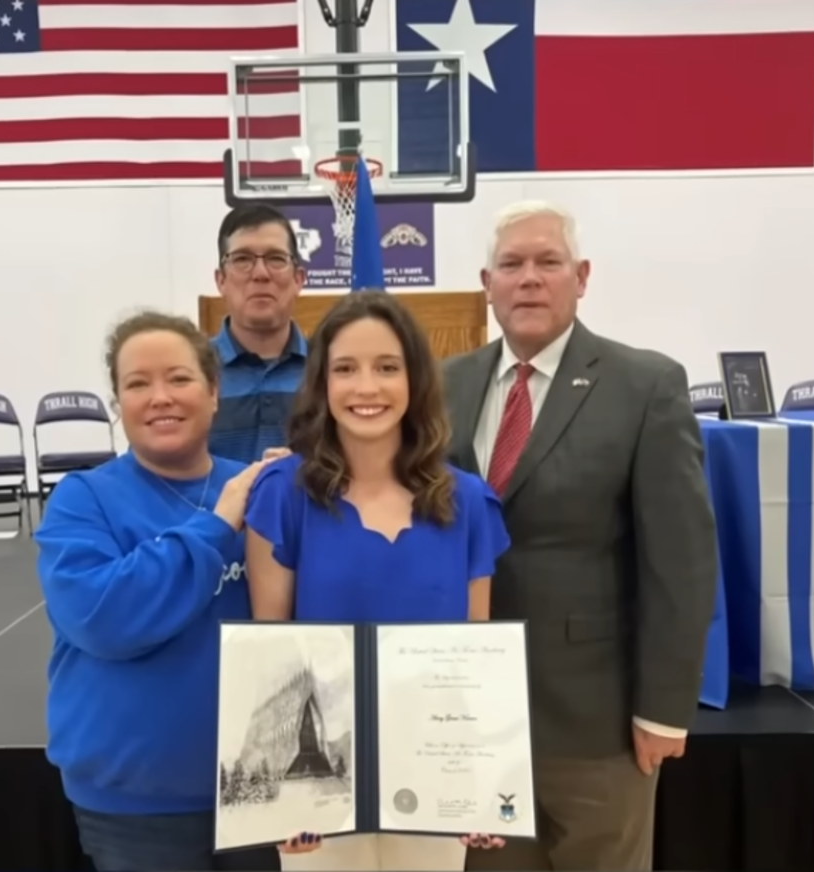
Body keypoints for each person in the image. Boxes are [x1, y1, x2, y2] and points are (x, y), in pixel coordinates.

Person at [441, 201, 719, 872]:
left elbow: (680, 561)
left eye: (547, 262)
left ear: (581, 276)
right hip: (471, 725)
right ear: (487, 282)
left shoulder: (644, 384)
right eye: (512, 265)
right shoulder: (446, 384)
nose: (528, 279)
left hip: (598, 724)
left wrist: (663, 709)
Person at [243, 291, 513, 872]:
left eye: (387, 368)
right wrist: (279, 800)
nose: (367, 388)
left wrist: (478, 779)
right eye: (346, 369)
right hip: (320, 796)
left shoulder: (466, 500)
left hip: (432, 779)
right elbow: (270, 653)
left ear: (415, 379)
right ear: (322, 383)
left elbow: (475, 655)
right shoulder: (283, 493)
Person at [34, 309, 285, 872]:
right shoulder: (84, 499)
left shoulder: (261, 490)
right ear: (118, 403)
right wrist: (218, 528)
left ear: (214, 392)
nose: (160, 397)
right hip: (137, 808)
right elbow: (104, 617)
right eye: (137, 384)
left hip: (262, 791)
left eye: (178, 378)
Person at [210, 204, 309, 463]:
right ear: (221, 280)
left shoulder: (333, 369)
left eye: (276, 259)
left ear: (298, 279)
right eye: (242, 259)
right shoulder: (190, 371)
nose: (261, 274)